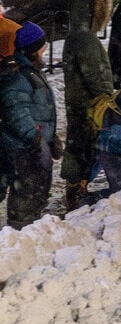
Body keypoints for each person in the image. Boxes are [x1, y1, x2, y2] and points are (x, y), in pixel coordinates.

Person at [0, 22, 61, 229]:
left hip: (34, 144)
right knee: (27, 189)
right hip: (23, 147)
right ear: (33, 48)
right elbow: (16, 110)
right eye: (42, 44)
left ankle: (30, 225)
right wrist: (33, 136)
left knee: (37, 187)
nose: (46, 47)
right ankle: (20, 229)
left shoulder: (31, 71)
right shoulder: (18, 76)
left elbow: (42, 109)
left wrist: (51, 137)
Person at [61, 0, 114, 212]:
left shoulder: (76, 36)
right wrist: (108, 95)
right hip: (90, 105)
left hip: (79, 102)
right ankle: (78, 191)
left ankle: (75, 187)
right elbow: (97, 76)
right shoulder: (86, 40)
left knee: (78, 144)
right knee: (86, 146)